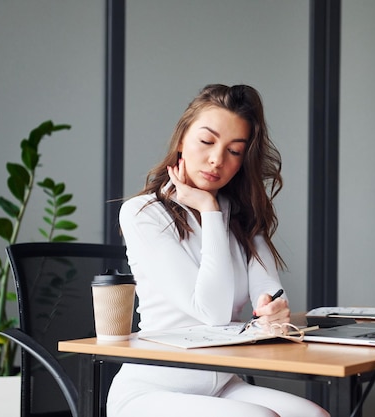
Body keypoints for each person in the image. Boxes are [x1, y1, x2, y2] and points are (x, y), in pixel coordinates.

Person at [107, 84, 329, 417]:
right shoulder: (143, 213)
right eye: (207, 142)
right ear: (182, 139)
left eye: (234, 151)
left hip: (223, 386)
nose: (217, 160)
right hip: (152, 390)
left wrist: (274, 313)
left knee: (315, 415)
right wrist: (209, 212)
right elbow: (210, 311)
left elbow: (269, 294)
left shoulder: (240, 217)